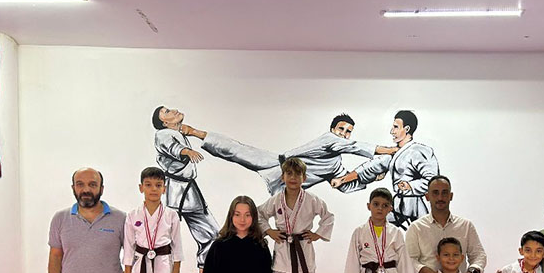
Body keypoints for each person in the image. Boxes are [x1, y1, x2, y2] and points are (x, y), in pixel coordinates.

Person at [154, 107, 397, 195]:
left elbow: (343, 185)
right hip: (277, 162)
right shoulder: (329, 139)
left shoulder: (335, 165)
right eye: (341, 129)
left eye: (347, 132)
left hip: (286, 186)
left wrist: (372, 178)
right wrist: (390, 150)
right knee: (237, 151)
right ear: (333, 129)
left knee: (280, 221)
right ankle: (196, 132)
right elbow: (356, 147)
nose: (343, 134)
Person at [331, 110, 439, 228]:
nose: (392, 131)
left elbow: (434, 181)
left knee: (426, 235)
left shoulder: (419, 151)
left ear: (407, 129)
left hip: (416, 207)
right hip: (398, 205)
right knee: (376, 227)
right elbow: (369, 168)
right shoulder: (394, 153)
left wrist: (410, 186)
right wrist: (342, 180)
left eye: (396, 127)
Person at [152, 106, 219, 272]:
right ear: (164, 123)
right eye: (167, 112)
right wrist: (186, 151)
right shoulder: (163, 134)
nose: (173, 110)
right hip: (175, 190)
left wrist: (190, 132)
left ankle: (206, 268)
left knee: (211, 232)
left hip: (188, 190)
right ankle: (155, 269)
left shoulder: (177, 132)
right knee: (162, 234)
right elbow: (171, 147)